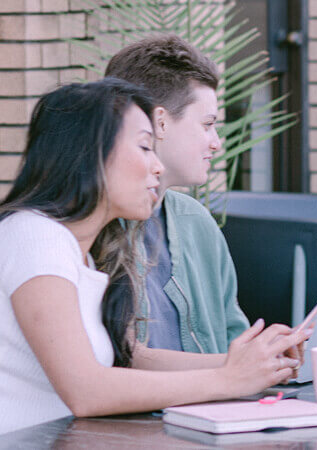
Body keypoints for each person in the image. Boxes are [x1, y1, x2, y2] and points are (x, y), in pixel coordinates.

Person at [0, 79, 308, 449]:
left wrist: (248, 364)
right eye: (144, 147)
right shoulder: (32, 236)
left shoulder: (81, 251)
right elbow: (87, 390)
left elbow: (132, 357)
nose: (157, 166)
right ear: (91, 154)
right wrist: (227, 380)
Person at [102, 35, 249, 356]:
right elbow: (121, 362)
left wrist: (267, 355)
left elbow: (233, 335)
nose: (216, 143)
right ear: (160, 123)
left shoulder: (196, 221)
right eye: (207, 125)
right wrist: (233, 369)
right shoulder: (91, 227)